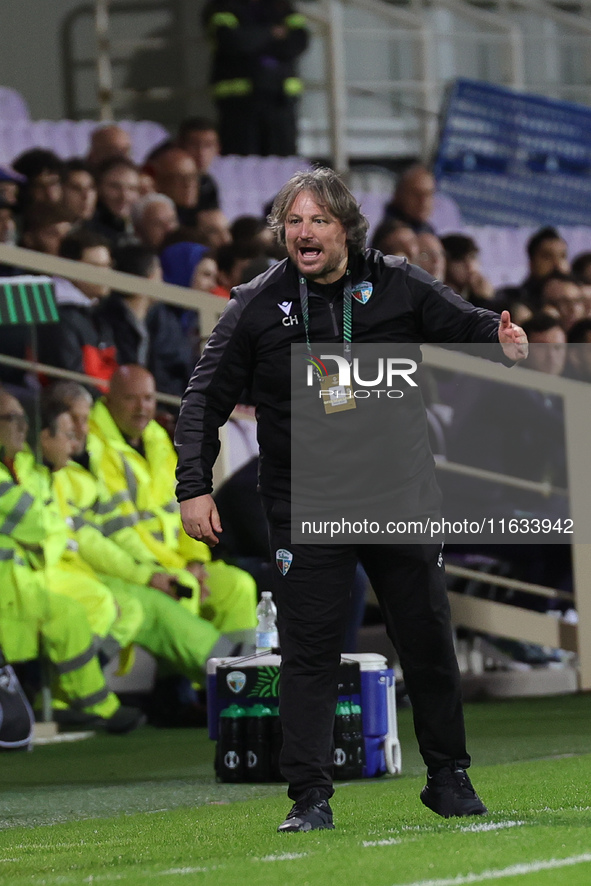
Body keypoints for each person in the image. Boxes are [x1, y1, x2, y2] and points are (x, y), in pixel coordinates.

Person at [174, 168, 527, 832]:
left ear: (344, 227)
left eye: (317, 221)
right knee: (307, 650)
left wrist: (502, 344)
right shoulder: (256, 302)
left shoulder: (397, 281)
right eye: (292, 223)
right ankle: (309, 796)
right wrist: (192, 485)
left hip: (398, 496)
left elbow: (470, 325)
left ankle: (448, 777)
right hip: (303, 503)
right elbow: (201, 401)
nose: (302, 233)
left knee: (424, 639)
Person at [0, 389, 143, 733]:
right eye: (11, 419)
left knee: (114, 609)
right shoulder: (17, 472)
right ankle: (91, 704)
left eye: (23, 418)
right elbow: (39, 526)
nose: (22, 427)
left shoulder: (19, 469)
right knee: (76, 614)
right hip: (18, 589)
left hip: (27, 583)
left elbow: (48, 530)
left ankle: (77, 698)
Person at [87, 365, 257, 637]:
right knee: (186, 589)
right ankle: (181, 680)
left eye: (149, 398)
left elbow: (186, 508)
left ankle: (237, 677)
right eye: (130, 398)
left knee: (239, 586)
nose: (141, 408)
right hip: (143, 565)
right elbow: (122, 529)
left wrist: (196, 561)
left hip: (178, 561)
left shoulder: (158, 439)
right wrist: (176, 568)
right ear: (109, 400)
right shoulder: (95, 448)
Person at [202, 0, 309, 156]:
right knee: (240, 161)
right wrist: (272, 33)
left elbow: (298, 41)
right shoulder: (221, 7)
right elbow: (232, 41)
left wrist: (252, 39)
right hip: (238, 102)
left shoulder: (284, 7)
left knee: (283, 163)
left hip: (280, 99)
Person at [176, 117, 221, 212]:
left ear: (217, 149)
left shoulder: (208, 184)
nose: (201, 153)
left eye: (208, 145)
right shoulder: (171, 180)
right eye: (194, 145)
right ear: (180, 146)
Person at [381, 164, 436, 234]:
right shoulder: (394, 235)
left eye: (428, 194)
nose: (423, 201)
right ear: (399, 194)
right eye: (417, 194)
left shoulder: (426, 229)